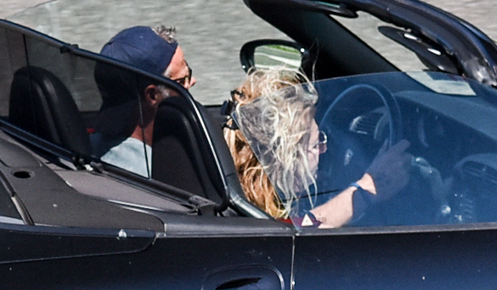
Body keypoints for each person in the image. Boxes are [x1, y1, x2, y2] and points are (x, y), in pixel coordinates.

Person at [225, 67, 409, 228]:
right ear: (286, 159)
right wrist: (368, 187)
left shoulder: (236, 193)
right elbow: (306, 230)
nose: (324, 149)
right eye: (315, 144)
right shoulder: (264, 224)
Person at [92, 25, 194, 179]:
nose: (192, 81)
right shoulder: (161, 175)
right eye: (182, 80)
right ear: (153, 95)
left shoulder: (89, 146)